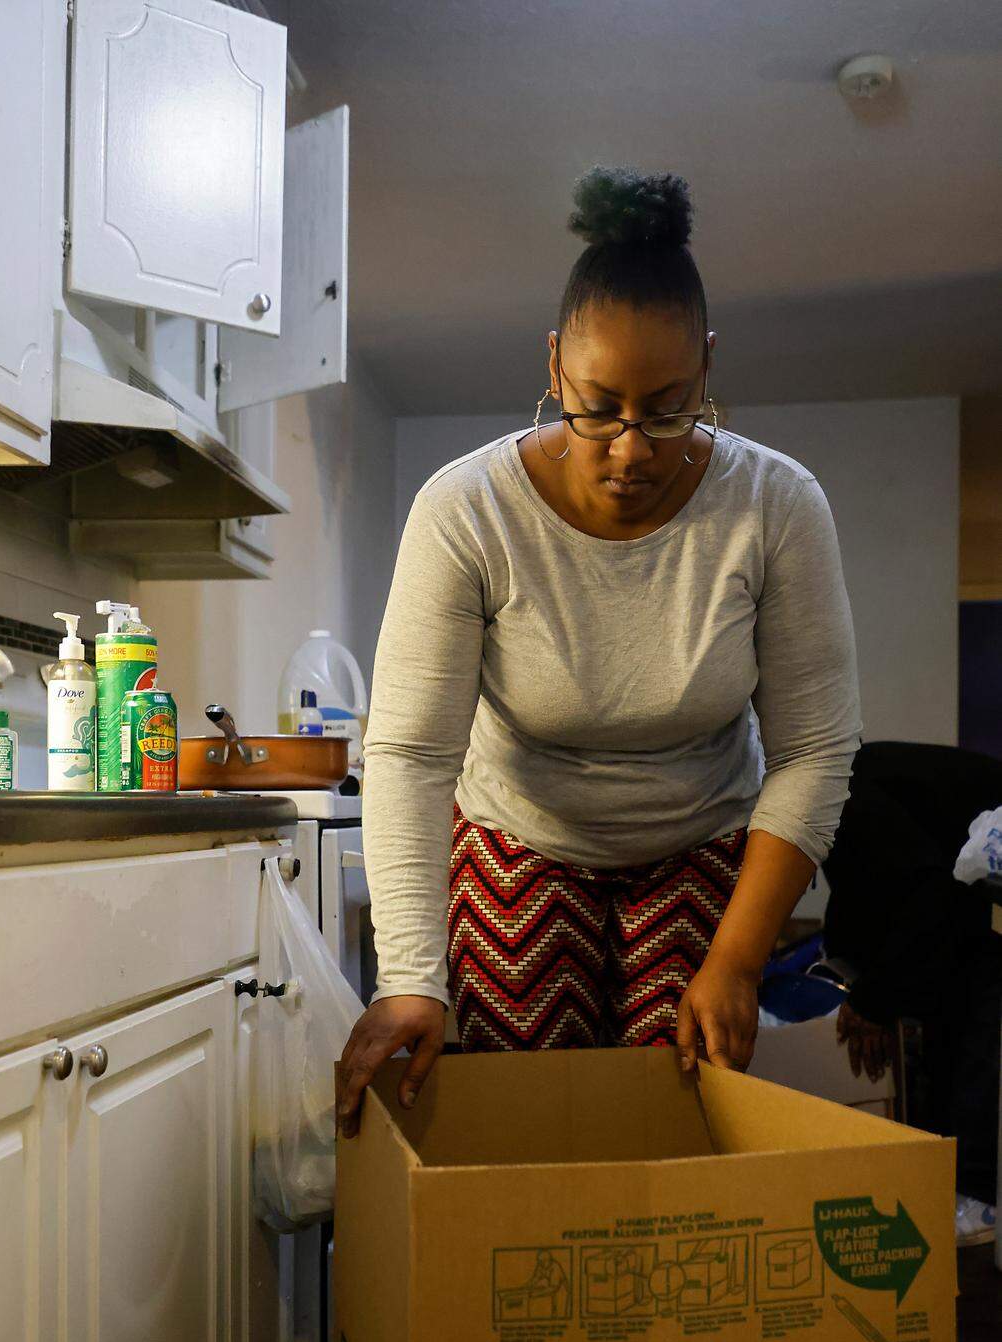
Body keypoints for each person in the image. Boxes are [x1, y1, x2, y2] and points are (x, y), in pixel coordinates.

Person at [338, 167, 861, 1134]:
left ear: (707, 368)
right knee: (530, 1123)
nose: (629, 449)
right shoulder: (467, 512)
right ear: (552, 368)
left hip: (701, 840)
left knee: (677, 1114)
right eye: (597, 407)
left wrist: (739, 960)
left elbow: (814, 750)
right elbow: (410, 754)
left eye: (667, 409)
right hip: (520, 839)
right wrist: (412, 977)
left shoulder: (777, 506)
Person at [823, 740, 1001, 1243]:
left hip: (984, 883)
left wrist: (873, 1001)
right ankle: (955, 1177)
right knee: (948, 1002)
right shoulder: (838, 789)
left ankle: (982, 1197)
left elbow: (927, 897)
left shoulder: (843, 797)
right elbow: (859, 891)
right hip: (965, 881)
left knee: (977, 1023)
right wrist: (849, 971)